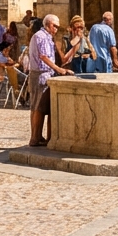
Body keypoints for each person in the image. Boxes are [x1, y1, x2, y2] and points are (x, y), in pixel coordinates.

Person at [28, 14, 74, 146]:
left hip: (45, 74)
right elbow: (43, 56)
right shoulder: (41, 36)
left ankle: (38, 136)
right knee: (37, 107)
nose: (56, 29)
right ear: (47, 24)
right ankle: (34, 138)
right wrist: (58, 69)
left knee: (41, 107)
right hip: (40, 74)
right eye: (54, 26)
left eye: (58, 27)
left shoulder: (47, 37)